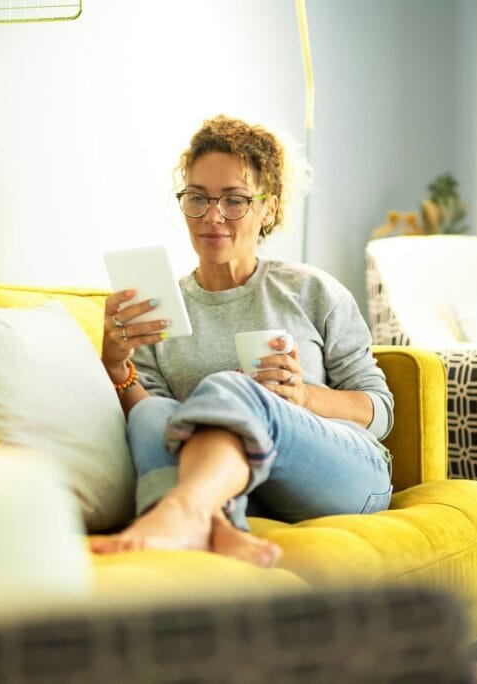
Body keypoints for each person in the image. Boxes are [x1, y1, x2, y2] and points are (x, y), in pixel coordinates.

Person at [90, 115, 394, 568]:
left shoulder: (312, 291)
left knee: (233, 387)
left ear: (268, 208)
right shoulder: (158, 309)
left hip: (342, 474)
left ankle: (175, 512)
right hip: (245, 490)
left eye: (234, 200)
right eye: (198, 198)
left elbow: (380, 411)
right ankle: (219, 525)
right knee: (155, 411)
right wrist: (116, 365)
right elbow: (157, 425)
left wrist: (303, 395)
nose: (213, 217)